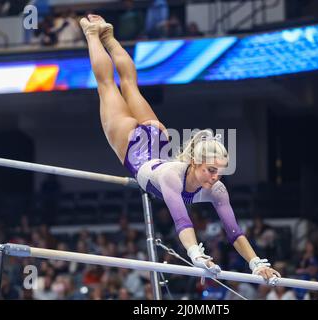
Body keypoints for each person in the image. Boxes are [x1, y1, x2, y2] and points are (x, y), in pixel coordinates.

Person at [78, 14, 280, 280]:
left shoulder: (217, 189)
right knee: (107, 86)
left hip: (155, 138)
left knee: (128, 85)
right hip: (133, 143)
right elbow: (181, 220)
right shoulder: (171, 176)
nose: (216, 176)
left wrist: (256, 263)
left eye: (219, 171)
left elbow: (234, 232)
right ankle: (93, 33)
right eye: (210, 170)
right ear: (195, 163)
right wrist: (195, 254)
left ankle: (109, 37)